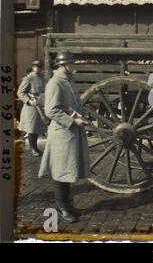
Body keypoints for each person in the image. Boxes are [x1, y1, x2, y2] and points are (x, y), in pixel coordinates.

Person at [38, 52, 90, 223]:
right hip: (62, 134)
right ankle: (62, 208)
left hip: (70, 134)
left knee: (67, 171)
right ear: (63, 64)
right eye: (71, 63)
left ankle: (67, 205)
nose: (74, 65)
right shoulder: (55, 82)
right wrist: (73, 121)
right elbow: (51, 110)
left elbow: (73, 105)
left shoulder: (68, 80)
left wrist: (81, 116)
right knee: (60, 173)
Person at [17, 60, 47, 157]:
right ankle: (33, 148)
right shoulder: (28, 78)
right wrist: (28, 100)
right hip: (31, 107)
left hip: (40, 105)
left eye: (39, 67)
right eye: (35, 66)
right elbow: (20, 92)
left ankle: (35, 147)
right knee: (31, 128)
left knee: (37, 128)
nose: (37, 68)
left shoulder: (43, 79)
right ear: (33, 67)